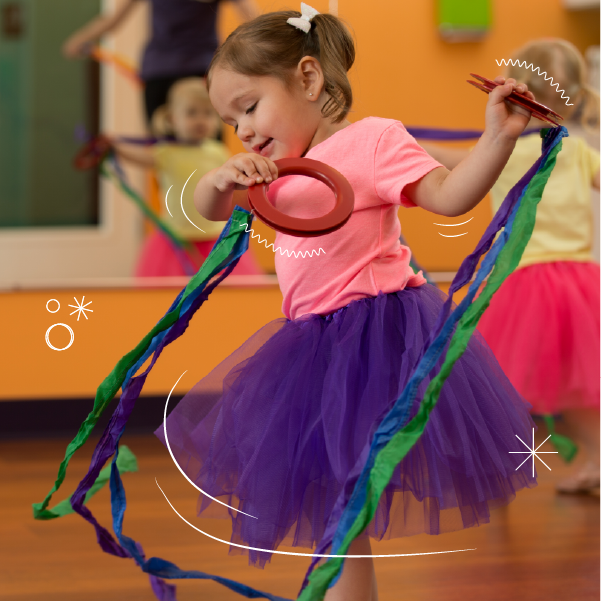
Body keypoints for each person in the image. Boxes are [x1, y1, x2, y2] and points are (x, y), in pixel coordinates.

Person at [157, 7, 541, 600]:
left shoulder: (373, 141)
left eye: (250, 107)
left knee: (345, 503)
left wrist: (497, 138)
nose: (243, 130)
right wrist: (219, 178)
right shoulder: (272, 170)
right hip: (311, 348)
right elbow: (210, 212)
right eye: (230, 120)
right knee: (334, 507)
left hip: (378, 340)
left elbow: (450, 196)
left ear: (309, 80)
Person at [422, 39, 601, 495]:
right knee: (577, 386)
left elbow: (452, 160)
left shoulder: (505, 150)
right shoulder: (578, 152)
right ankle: (594, 461)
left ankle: (489, 466)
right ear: (576, 99)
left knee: (498, 380)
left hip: (525, 282)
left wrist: (400, 139)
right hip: (579, 281)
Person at [110, 77, 263, 276]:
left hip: (214, 238)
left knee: (219, 291)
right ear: (173, 119)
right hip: (176, 240)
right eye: (191, 113)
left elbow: (232, 184)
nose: (200, 120)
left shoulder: (217, 152)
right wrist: (115, 146)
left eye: (207, 113)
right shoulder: (166, 153)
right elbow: (138, 157)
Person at [63, 0, 259, 123]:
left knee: (181, 151)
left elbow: (255, 20)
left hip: (193, 73)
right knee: (172, 152)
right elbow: (255, 19)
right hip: (181, 72)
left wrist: (78, 40)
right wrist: (79, 40)